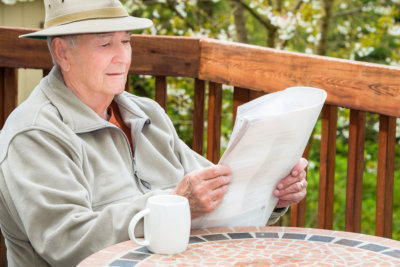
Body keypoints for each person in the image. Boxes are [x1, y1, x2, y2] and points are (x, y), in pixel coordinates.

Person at [0, 0, 308, 266]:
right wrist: (172, 204)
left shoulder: (147, 114)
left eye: (126, 41)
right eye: (105, 44)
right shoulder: (34, 134)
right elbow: (68, 245)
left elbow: (212, 193)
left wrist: (273, 190)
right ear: (62, 53)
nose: (122, 57)